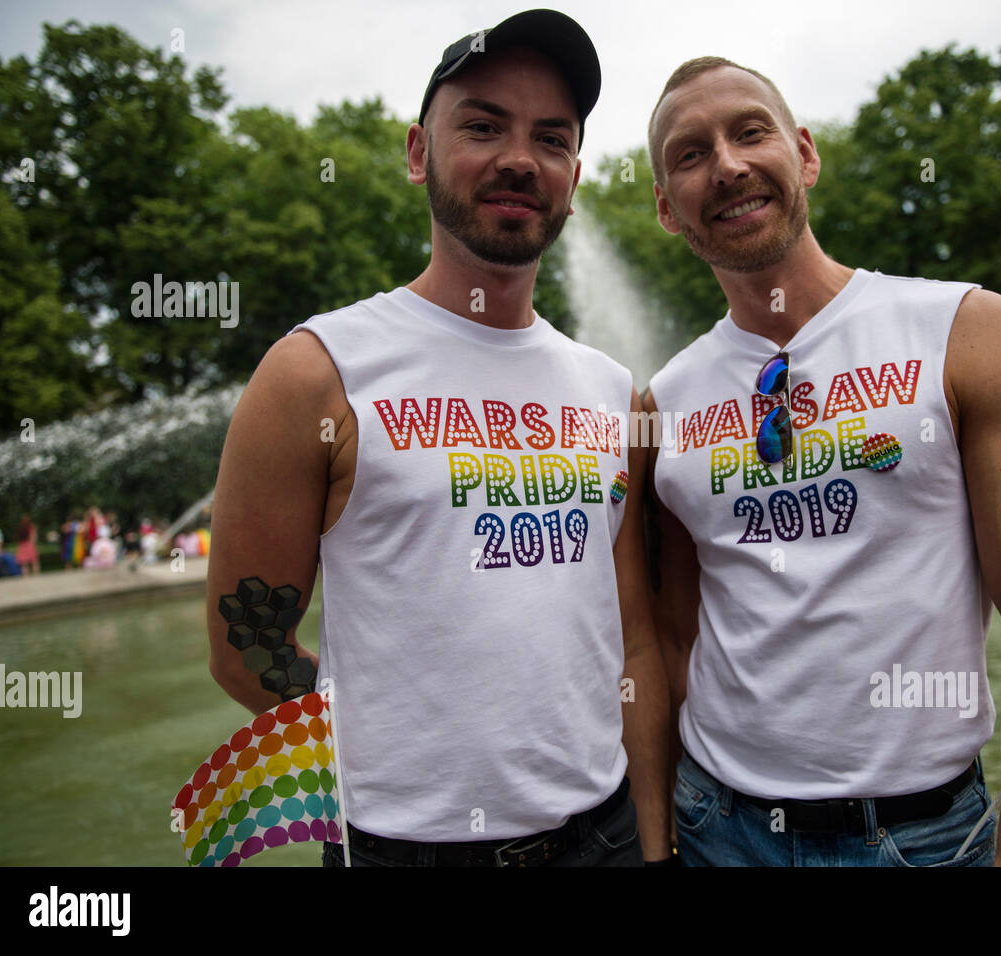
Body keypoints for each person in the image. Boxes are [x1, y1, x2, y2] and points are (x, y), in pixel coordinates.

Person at [206, 9, 669, 868]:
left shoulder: (613, 392)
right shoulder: (317, 372)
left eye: (552, 137)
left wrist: (657, 845)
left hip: (601, 836)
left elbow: (634, 639)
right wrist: (391, 736)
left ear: (574, 171)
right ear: (419, 151)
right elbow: (243, 650)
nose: (520, 159)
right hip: (400, 848)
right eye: (484, 126)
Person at [642, 57, 1001, 866]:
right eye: (690, 154)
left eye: (751, 132)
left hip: (919, 835)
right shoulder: (666, 400)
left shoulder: (965, 331)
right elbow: (676, 636)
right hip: (718, 827)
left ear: (805, 154)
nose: (729, 165)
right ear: (667, 210)